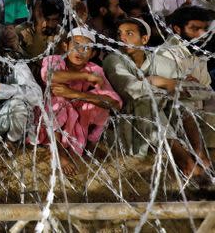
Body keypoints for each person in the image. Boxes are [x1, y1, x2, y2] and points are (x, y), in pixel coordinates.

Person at [104, 18, 210, 176]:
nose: (122, 38)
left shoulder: (160, 62)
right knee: (149, 102)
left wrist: (163, 82)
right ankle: (185, 161)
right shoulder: (113, 61)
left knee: (181, 102)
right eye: (120, 34)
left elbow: (203, 91)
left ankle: (198, 153)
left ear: (144, 39)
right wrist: (165, 84)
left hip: (162, 116)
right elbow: (131, 88)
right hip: (131, 120)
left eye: (129, 33)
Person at [35, 28, 122, 175]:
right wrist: (85, 77)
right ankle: (58, 151)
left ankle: (90, 144)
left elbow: (115, 103)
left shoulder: (95, 70)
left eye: (86, 48)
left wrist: (75, 94)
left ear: (93, 53)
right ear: (65, 46)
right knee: (59, 100)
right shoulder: (55, 60)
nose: (79, 51)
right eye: (75, 45)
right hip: (51, 118)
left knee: (99, 102)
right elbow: (49, 76)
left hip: (77, 120)